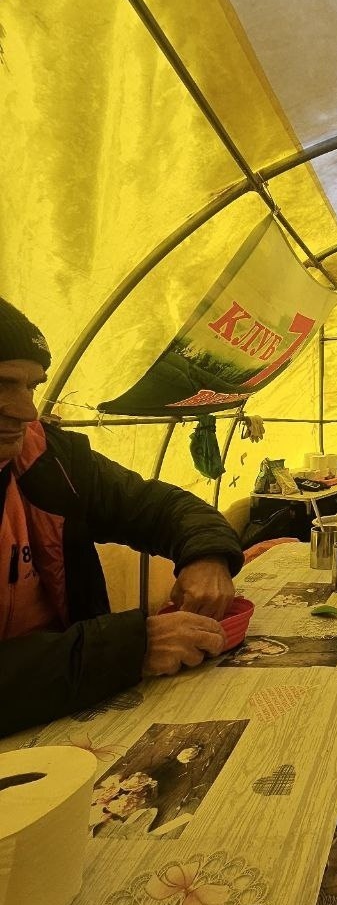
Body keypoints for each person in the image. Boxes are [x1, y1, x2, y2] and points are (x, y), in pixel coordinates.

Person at [0, 297, 245, 736]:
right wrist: (131, 648)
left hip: (70, 708)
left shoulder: (51, 458)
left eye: (31, 387)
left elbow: (157, 505)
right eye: (2, 385)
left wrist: (207, 555)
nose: (26, 411)